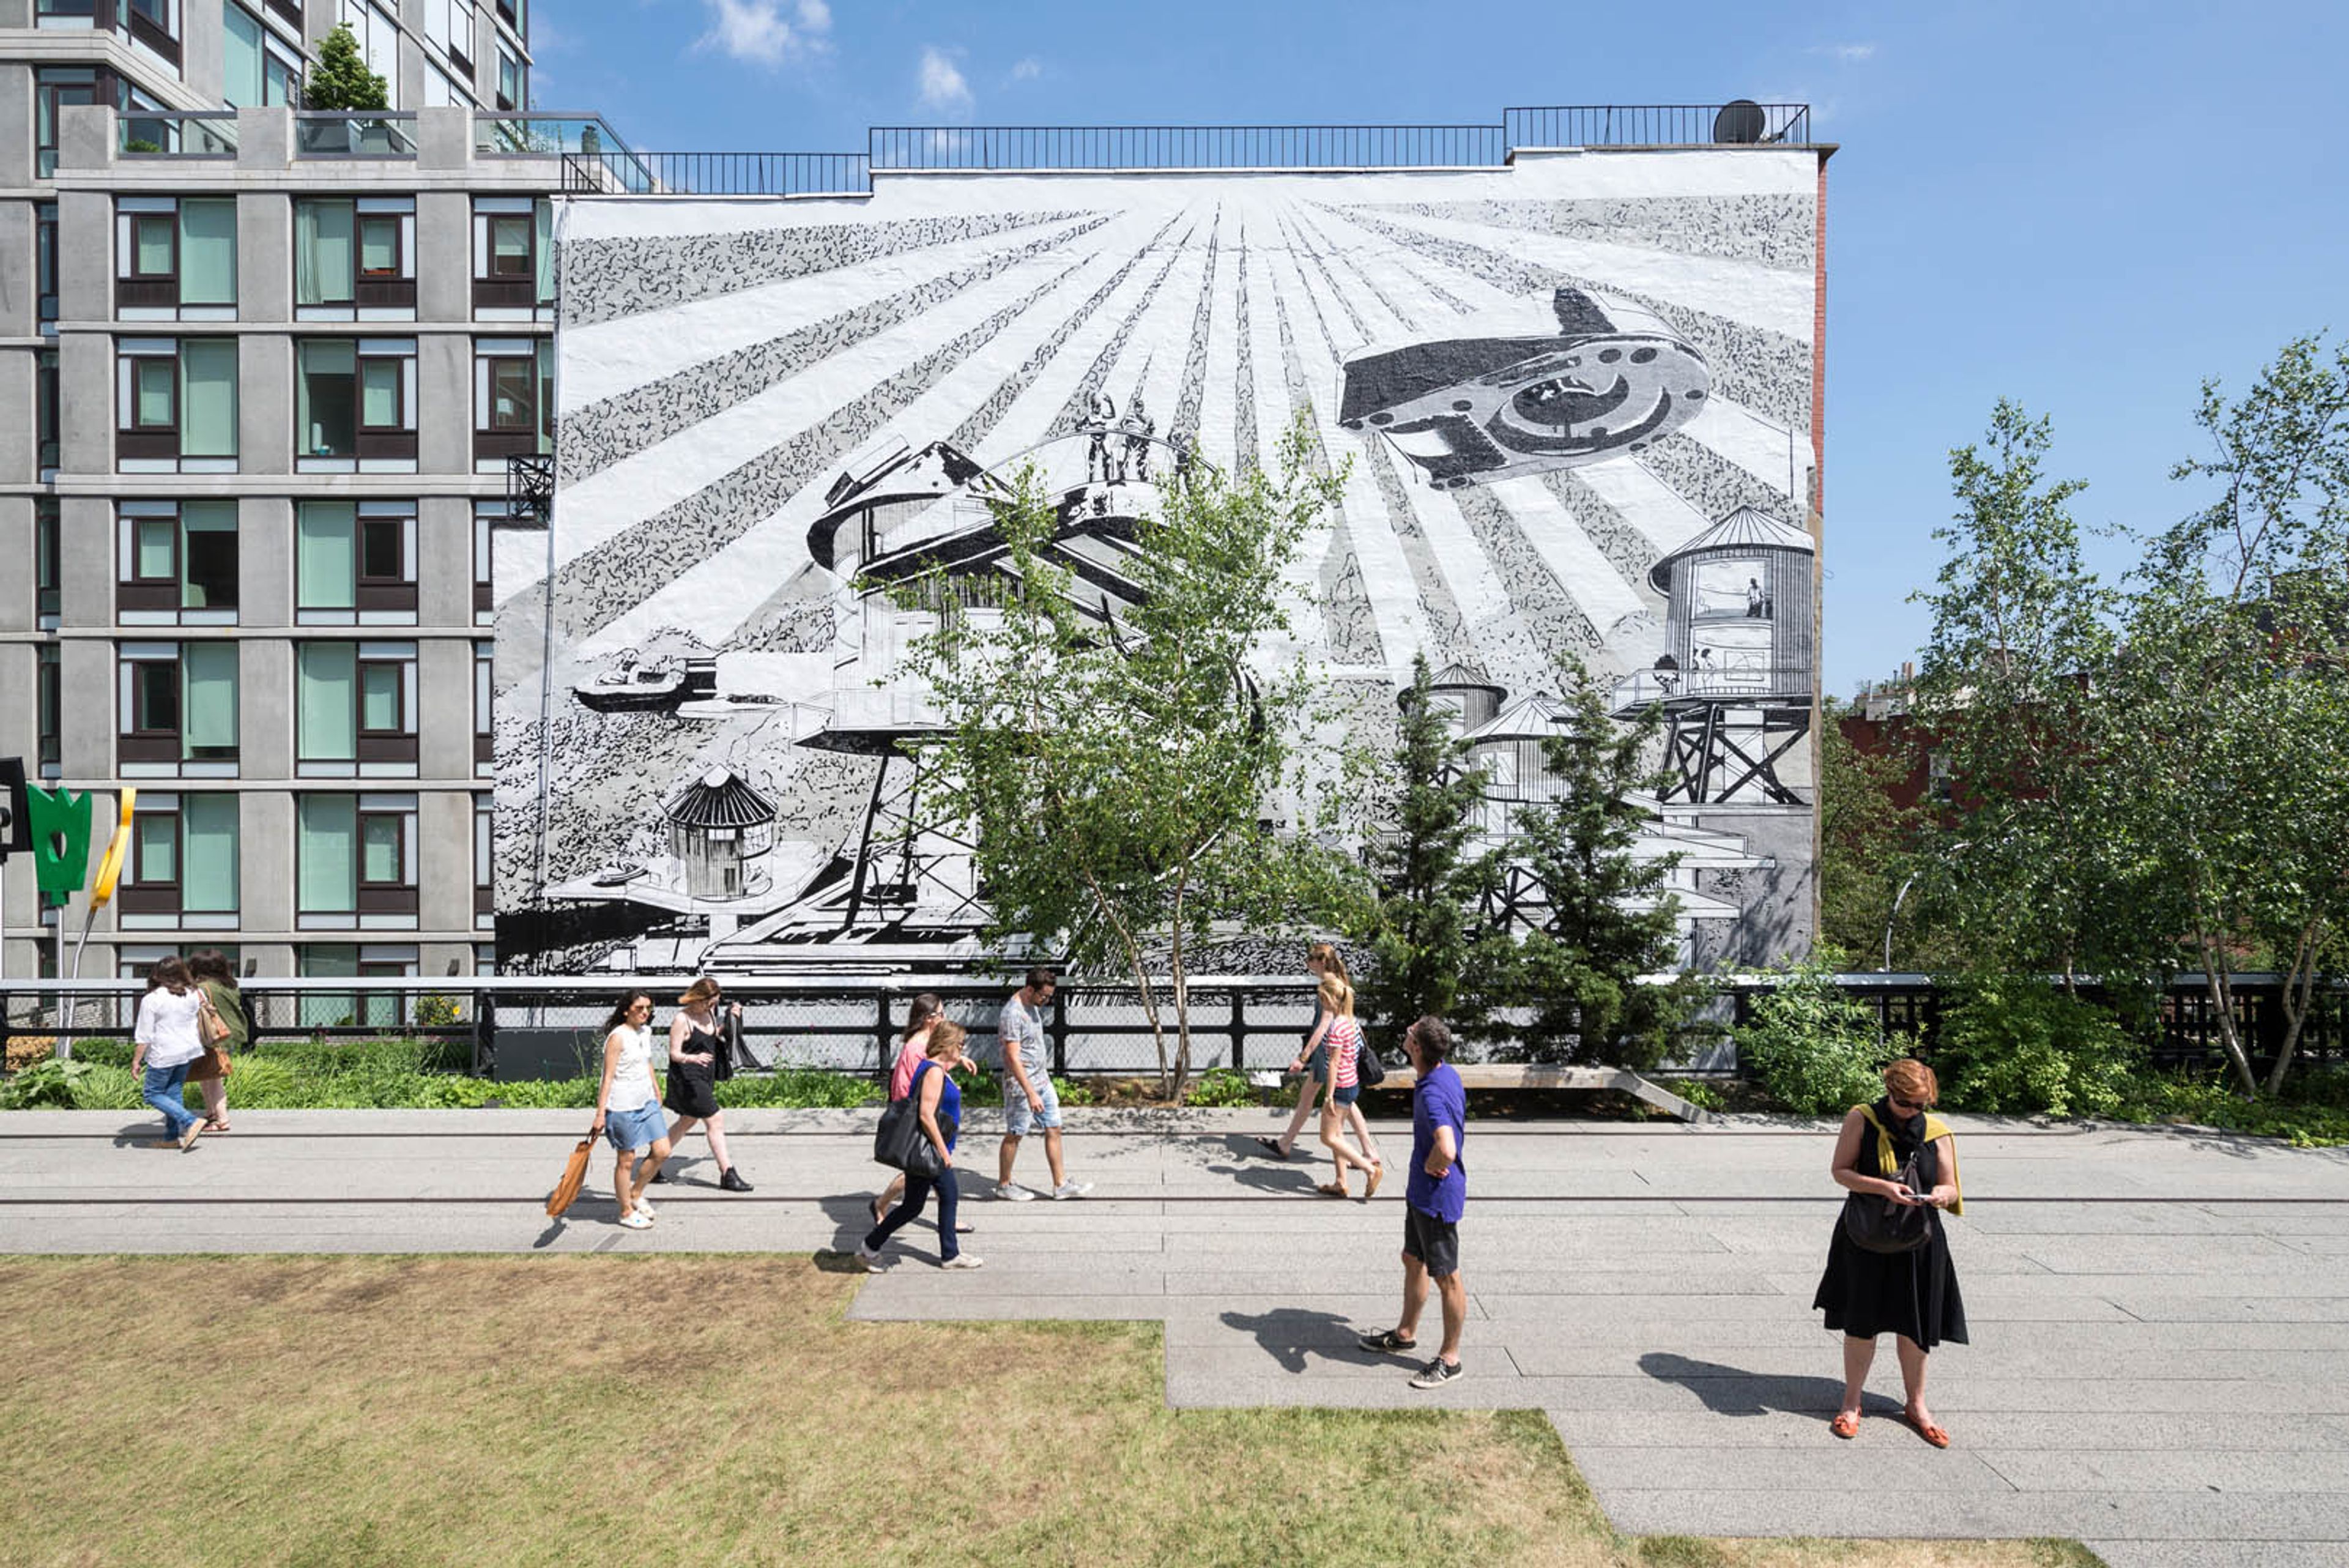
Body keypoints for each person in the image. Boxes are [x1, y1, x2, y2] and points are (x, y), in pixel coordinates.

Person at [1816, 1058, 1966, 1446]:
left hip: (1920, 1240)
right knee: (1861, 1322)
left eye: (1922, 1105)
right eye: (1908, 1104)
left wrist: (1939, 1195)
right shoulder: (1862, 1119)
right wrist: (1883, 1187)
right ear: (1891, 1093)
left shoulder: (1937, 1131)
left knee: (1915, 1326)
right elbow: (1840, 1171)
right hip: (1865, 1237)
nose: (1915, 1112)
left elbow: (1951, 1187)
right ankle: (1852, 1403)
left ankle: (1917, 1405)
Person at [1357, 1015, 1467, 1389]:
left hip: (1437, 1198)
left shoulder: (1435, 1090)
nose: (1405, 1032)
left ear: (1417, 1047)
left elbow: (1448, 1148)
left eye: (1410, 1032)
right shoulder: (1443, 1074)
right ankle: (1405, 1334)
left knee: (1447, 1277)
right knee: (1413, 1259)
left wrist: (1434, 1162)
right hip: (1421, 1193)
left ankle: (1450, 1359)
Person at [858, 1021, 983, 1271]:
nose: (962, 1048)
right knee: (949, 1194)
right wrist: (943, 1149)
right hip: (930, 1148)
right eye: (960, 1045)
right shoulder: (935, 1072)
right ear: (947, 1045)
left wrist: (960, 1060)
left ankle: (869, 1248)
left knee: (913, 1206)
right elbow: (926, 1115)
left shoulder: (932, 1066)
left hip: (926, 1148)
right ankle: (950, 1254)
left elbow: (942, 1067)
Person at [1259, 943, 1382, 1173]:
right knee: (1317, 1099)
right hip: (1330, 1052)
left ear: (1321, 961)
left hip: (1328, 1054)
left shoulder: (1330, 987)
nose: (1307, 962)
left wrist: (1302, 1057)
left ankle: (1367, 1155)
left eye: (1311, 958)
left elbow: (1324, 1027)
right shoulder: (1336, 982)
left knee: (1334, 1102)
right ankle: (1287, 1143)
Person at [996, 967, 1089, 1202]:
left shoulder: (1033, 1005)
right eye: (1044, 996)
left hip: (1042, 1080)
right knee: (1015, 1133)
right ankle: (1004, 1185)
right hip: (1021, 1085)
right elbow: (1012, 1057)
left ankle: (1061, 1185)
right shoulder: (1013, 1014)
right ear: (1030, 989)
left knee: (1054, 1127)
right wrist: (1030, 1093)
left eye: (1049, 997)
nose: (1046, 1001)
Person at [656, 977, 752, 1192]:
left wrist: (732, 1020)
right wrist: (693, 1058)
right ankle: (728, 1173)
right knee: (715, 1119)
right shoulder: (682, 1019)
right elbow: (674, 1053)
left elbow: (713, 1036)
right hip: (688, 1078)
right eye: (709, 1003)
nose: (712, 1007)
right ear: (698, 998)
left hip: (705, 1076)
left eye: (715, 1003)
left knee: (687, 1122)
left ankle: (654, 1162)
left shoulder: (709, 1013)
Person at [590, 992, 671, 1230]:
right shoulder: (617, 1038)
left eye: (648, 1008)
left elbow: (647, 1062)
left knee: (663, 1151)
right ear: (626, 1010)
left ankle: (635, 1193)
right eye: (639, 1008)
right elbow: (608, 1077)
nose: (645, 1012)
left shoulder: (645, 1032)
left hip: (646, 1102)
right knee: (626, 1161)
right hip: (622, 1106)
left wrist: (656, 1089)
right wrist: (600, 1113)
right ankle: (626, 1211)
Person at [1311, 972, 1380, 1200]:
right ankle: (1341, 1183)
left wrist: (1329, 1096)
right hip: (1352, 1083)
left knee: (1328, 1137)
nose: (1322, 1004)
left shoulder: (1336, 1027)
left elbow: (1334, 1063)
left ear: (1331, 999)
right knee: (1337, 1134)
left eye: (1323, 999)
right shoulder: (1351, 1022)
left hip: (1339, 1086)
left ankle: (1370, 1169)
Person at [129, 956, 208, 1151]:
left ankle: (190, 1121)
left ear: (158, 974)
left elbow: (144, 1036)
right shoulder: (193, 993)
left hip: (164, 1053)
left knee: (152, 1094)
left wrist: (136, 1061)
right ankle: (171, 1137)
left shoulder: (153, 999)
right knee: (173, 1092)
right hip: (189, 1050)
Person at [186, 949, 245, 1135]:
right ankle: (212, 1113)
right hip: (231, 1033)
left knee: (213, 1078)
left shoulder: (203, 988)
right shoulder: (231, 985)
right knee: (209, 1074)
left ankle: (221, 1119)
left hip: (214, 1036)